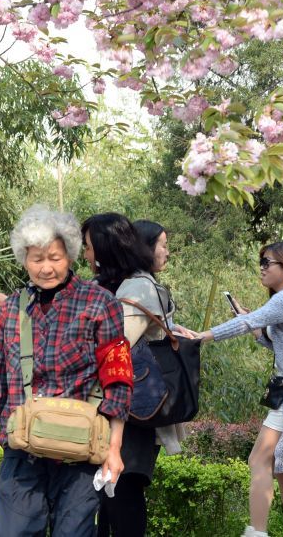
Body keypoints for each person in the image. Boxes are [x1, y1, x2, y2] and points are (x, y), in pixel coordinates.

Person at [0, 205, 132, 537]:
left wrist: (114, 449)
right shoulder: (10, 311)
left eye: (55, 257)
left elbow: (118, 380)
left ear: (71, 255)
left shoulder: (101, 304)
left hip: (81, 453)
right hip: (22, 451)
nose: (46, 268)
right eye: (37, 259)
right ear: (24, 259)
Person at [193, 242, 283, 537]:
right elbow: (277, 340)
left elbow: (247, 323)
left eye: (267, 262)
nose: (262, 268)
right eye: (261, 262)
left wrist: (202, 336)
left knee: (259, 459)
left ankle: (257, 532)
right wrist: (253, 322)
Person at [82, 214, 189, 537]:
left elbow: (115, 343)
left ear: (103, 248)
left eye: (87, 247)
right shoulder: (106, 286)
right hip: (106, 407)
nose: (84, 254)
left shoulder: (139, 288)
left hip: (134, 407)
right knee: (102, 499)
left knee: (123, 494)